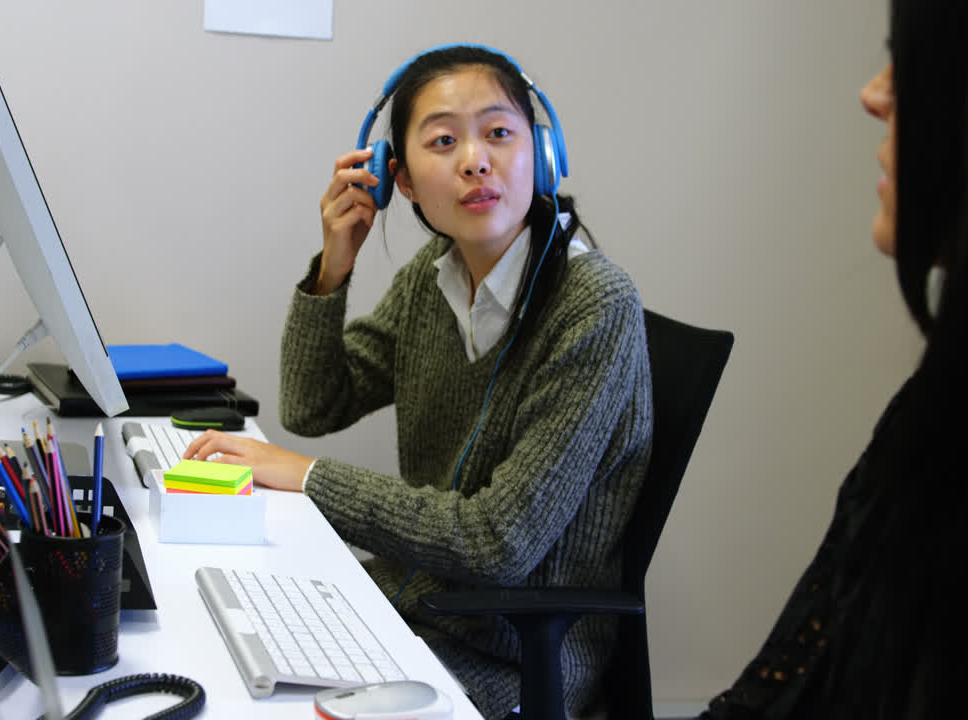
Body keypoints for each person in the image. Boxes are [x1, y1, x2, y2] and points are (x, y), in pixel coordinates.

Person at [184, 44, 653, 719]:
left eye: (498, 133)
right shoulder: (434, 278)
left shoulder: (594, 305)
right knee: (216, 648)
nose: (474, 159)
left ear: (542, 155)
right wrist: (333, 268)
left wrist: (307, 476)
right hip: (413, 611)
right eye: (443, 140)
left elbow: (501, 543)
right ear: (397, 180)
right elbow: (315, 404)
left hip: (512, 660)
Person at [701, 2, 968, 718]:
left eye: (908, 62)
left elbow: (503, 540)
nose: (874, 93)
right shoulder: (956, 401)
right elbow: (786, 689)